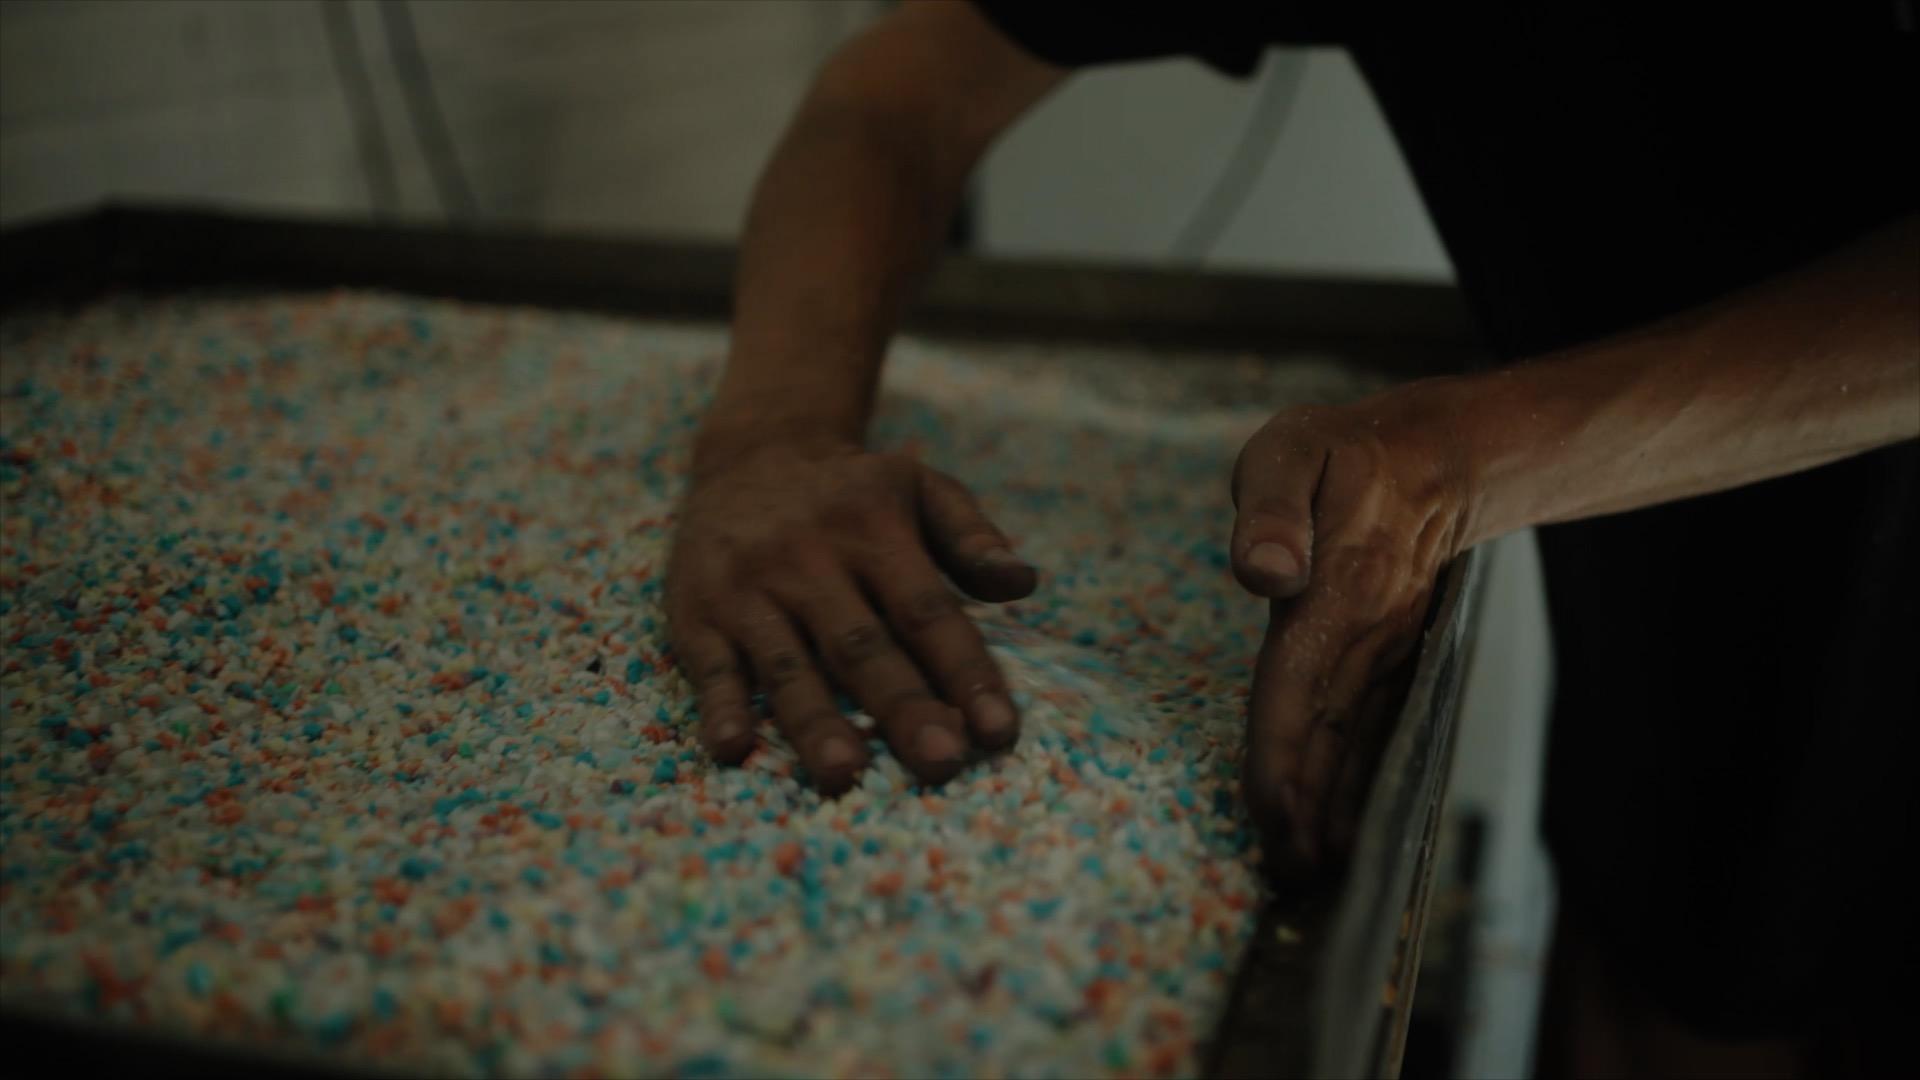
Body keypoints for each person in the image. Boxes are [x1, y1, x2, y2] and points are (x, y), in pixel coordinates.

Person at [663, 4, 1917, 1074]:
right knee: (1672, 962)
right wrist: (774, 435)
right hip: (1682, 633)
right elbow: (905, 83)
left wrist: (1462, 457)